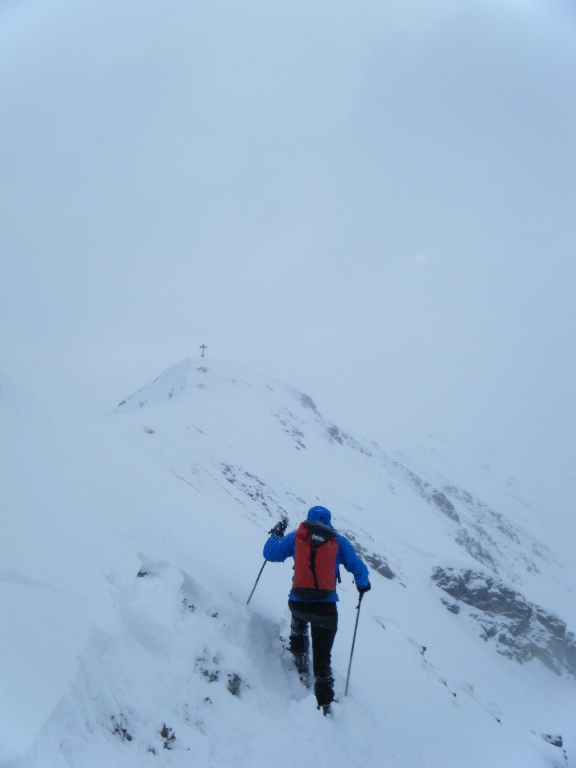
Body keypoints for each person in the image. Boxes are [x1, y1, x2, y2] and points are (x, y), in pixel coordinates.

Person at [264, 505, 371, 715]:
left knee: (299, 623)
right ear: (329, 521)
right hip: (326, 609)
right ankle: (324, 703)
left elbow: (270, 553)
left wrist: (276, 534)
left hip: (299, 602)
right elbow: (359, 568)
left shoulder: (297, 537)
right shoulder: (338, 542)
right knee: (323, 658)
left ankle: (300, 659)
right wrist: (363, 585)